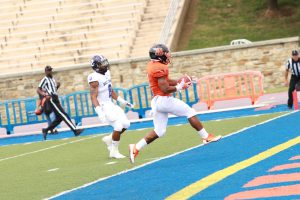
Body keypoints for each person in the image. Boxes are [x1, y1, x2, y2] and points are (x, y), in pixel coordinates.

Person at [129, 44, 222, 163]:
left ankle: (136, 148)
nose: (168, 55)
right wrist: (179, 87)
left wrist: (180, 81)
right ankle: (206, 137)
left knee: (159, 131)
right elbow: (165, 88)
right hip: (163, 100)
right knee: (190, 112)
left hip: (157, 101)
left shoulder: (153, 65)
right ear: (159, 55)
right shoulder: (159, 67)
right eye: (165, 53)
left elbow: (165, 81)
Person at [88, 55, 133, 159]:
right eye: (101, 64)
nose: (105, 65)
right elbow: (93, 97)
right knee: (118, 126)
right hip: (103, 106)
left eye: (104, 62)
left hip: (110, 103)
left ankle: (109, 138)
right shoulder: (94, 78)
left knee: (126, 124)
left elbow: (110, 90)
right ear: (96, 66)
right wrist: (100, 112)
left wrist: (122, 101)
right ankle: (114, 151)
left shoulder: (107, 73)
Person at [37, 65, 84, 140]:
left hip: (55, 98)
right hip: (51, 98)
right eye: (48, 70)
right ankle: (75, 130)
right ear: (45, 72)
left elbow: (53, 90)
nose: (50, 72)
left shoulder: (52, 79)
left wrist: (57, 86)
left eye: (50, 70)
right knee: (64, 114)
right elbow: (38, 89)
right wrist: (45, 94)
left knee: (59, 118)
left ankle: (45, 130)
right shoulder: (45, 79)